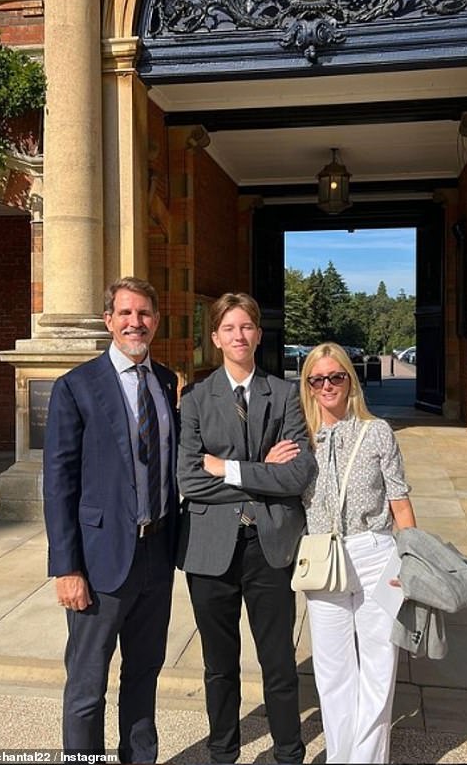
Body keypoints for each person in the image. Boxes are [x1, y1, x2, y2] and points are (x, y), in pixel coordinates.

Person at [176, 292, 317, 765]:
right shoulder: (195, 398)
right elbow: (190, 478)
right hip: (209, 548)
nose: (239, 335)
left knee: (278, 662)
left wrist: (230, 468)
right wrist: (262, 472)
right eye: (229, 328)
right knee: (219, 666)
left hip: (270, 547)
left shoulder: (284, 394)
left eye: (247, 327)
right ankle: (223, 752)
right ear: (215, 337)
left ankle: (288, 752)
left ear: (258, 334)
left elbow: (297, 475)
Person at [43, 276, 179, 763]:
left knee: (143, 677)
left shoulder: (166, 382)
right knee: (87, 686)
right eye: (124, 313)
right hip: (99, 564)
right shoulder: (76, 387)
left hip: (156, 555)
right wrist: (66, 567)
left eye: (143, 314)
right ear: (108, 321)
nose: (134, 322)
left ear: (156, 322)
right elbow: (58, 485)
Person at [299, 342, 416, 764]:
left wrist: (410, 561)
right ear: (308, 385)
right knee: (332, 672)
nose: (327, 385)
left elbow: (400, 502)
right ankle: (340, 755)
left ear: (351, 379)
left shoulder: (377, 431)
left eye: (336, 377)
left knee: (379, 664)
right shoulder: (302, 437)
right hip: (323, 559)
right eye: (318, 378)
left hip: (374, 552)